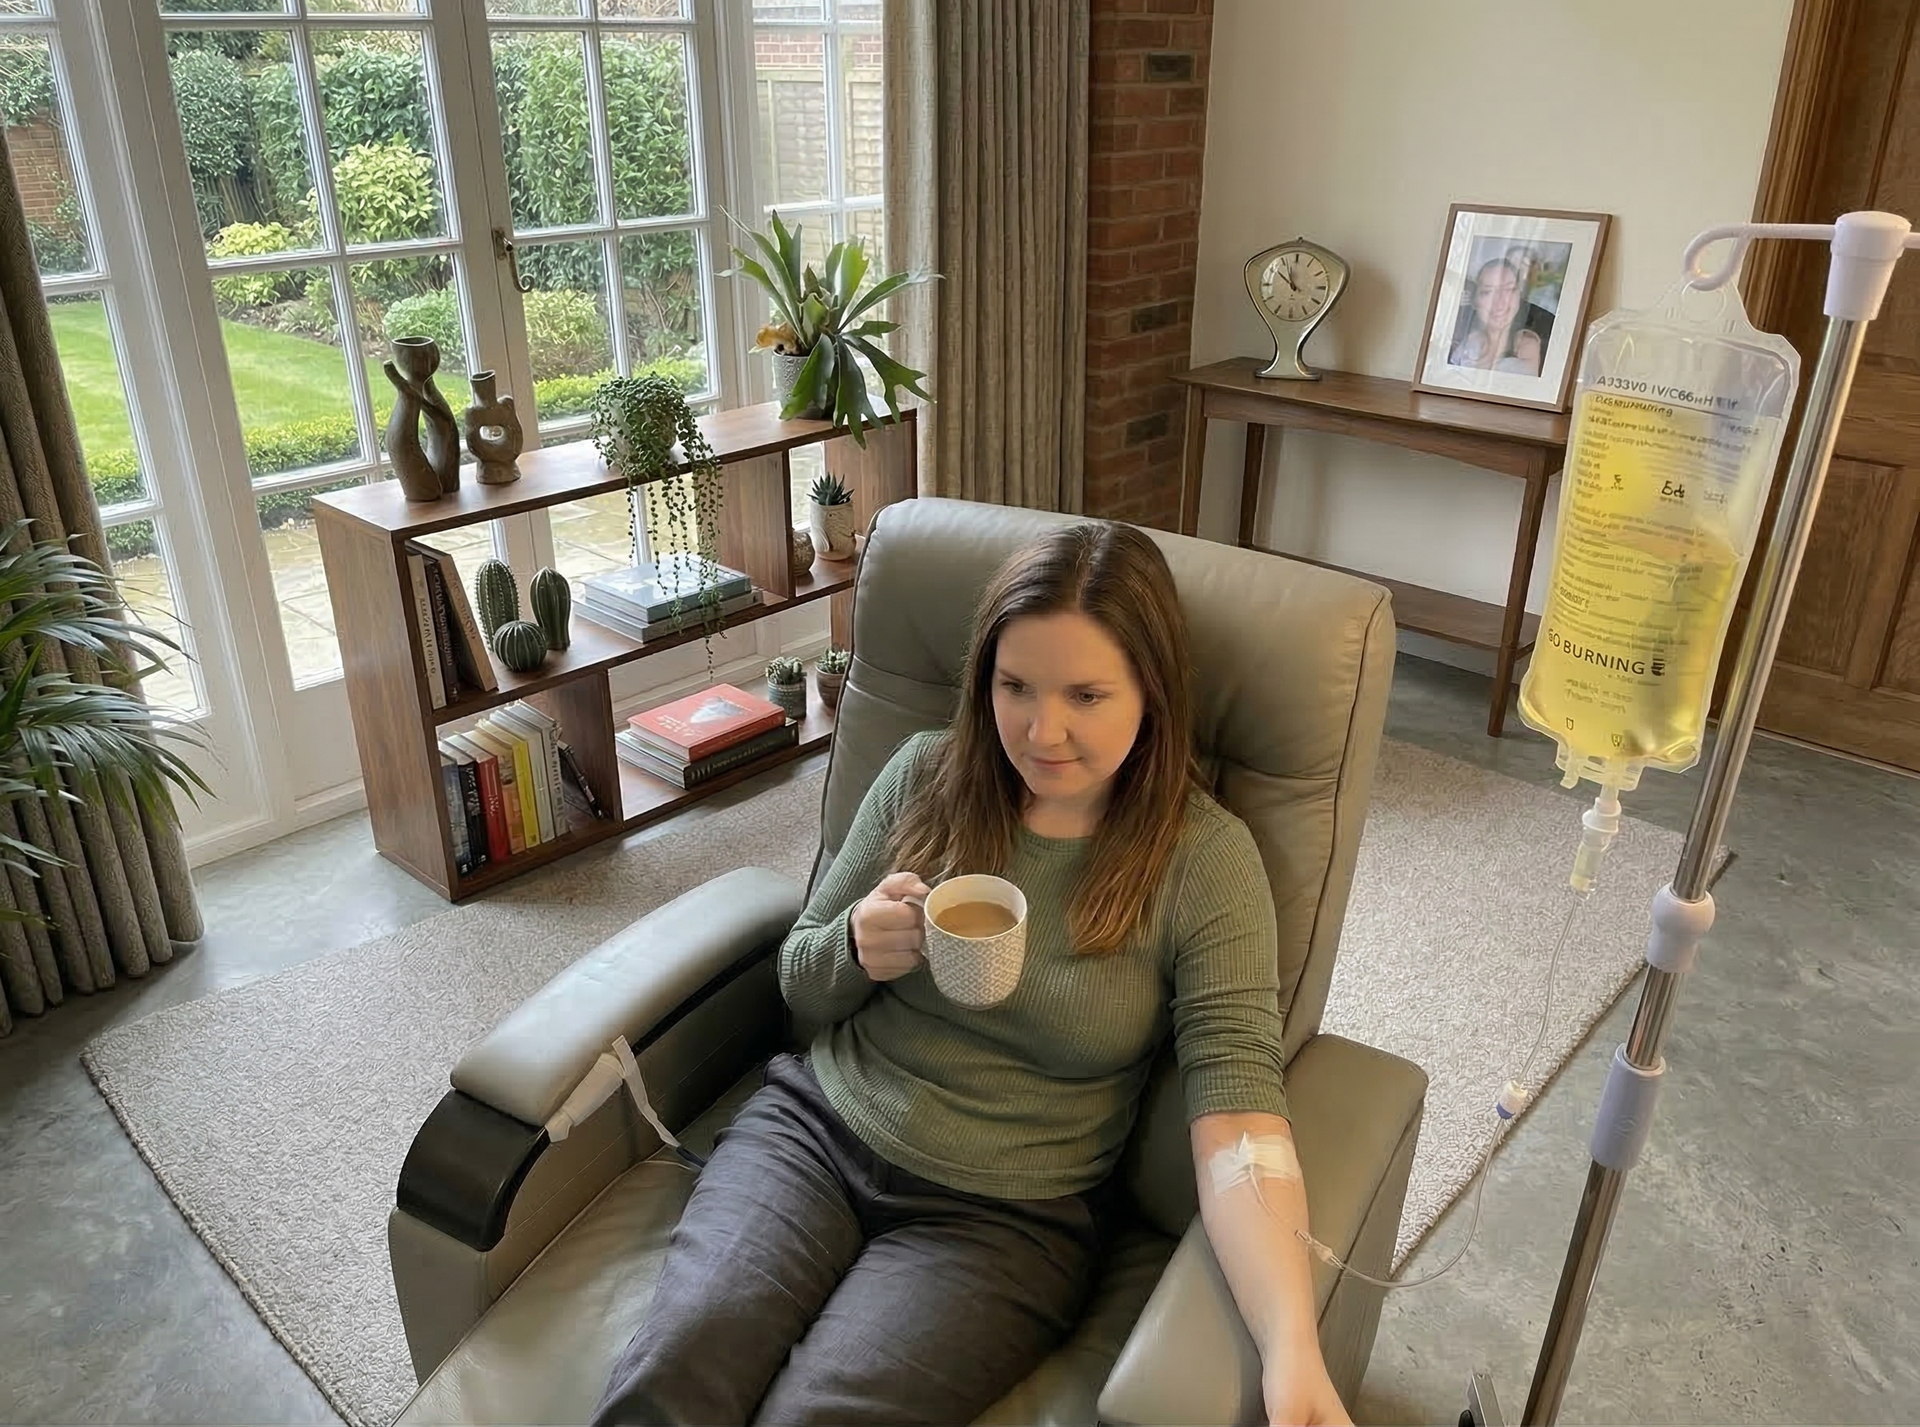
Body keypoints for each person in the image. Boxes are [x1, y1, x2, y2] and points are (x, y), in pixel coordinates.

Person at [592, 521, 1349, 1427]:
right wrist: (855, 948)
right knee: (673, 1371)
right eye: (1014, 685)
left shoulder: (1204, 860)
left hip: (1006, 1217)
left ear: (1153, 690)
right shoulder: (926, 775)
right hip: (816, 1130)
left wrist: (1292, 1343)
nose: (1042, 730)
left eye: (1087, 694)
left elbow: (1239, 1116)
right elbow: (800, 978)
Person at [1448, 256, 1544, 376]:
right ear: (1475, 301)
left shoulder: (1527, 347)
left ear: (1520, 296)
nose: (1499, 302)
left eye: (1509, 290)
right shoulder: (1467, 345)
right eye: (1487, 292)